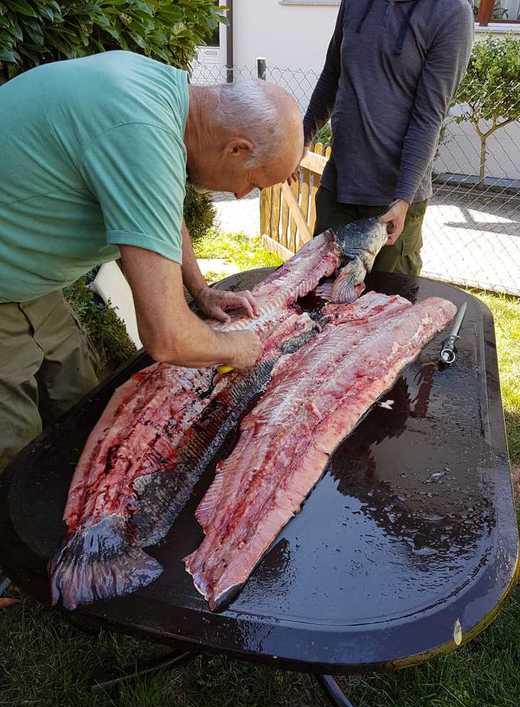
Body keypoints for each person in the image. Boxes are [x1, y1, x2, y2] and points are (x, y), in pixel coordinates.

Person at [0, 51, 304, 470]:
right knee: (13, 450)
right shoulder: (142, 134)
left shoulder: (164, 97)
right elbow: (166, 338)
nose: (240, 195)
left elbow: (158, 208)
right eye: (253, 183)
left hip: (31, 277)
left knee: (80, 403)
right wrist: (238, 347)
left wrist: (200, 290)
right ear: (237, 148)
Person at [298, 0, 474, 275]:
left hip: (392, 203)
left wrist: (403, 199)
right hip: (339, 187)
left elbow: (428, 116)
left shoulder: (451, 12)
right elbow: (332, 75)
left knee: (389, 296)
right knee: (321, 291)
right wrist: (302, 139)